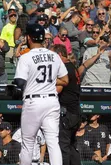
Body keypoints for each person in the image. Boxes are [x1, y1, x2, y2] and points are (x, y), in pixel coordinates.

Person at [10, 24, 69, 165]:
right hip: (51, 101)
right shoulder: (54, 55)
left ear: (28, 38)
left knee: (28, 143)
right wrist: (48, 82)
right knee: (53, 142)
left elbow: (19, 82)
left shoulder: (26, 56)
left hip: (34, 102)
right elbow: (66, 80)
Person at [51, 44, 82, 165]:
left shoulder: (64, 69)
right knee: (71, 146)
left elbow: (57, 90)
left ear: (58, 55)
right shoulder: (72, 66)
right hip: (75, 112)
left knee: (63, 147)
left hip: (67, 113)